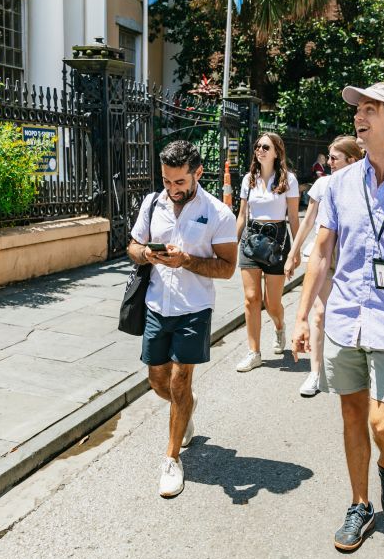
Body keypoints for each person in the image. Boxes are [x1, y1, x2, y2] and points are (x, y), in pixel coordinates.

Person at [292, 82, 384, 552]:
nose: (359, 116)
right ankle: (360, 504)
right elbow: (321, 255)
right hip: (342, 318)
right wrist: (300, 318)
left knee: (383, 425)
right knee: (352, 413)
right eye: (358, 109)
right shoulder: (338, 184)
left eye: (371, 109)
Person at [127, 140, 238, 498]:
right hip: (157, 306)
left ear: (197, 174)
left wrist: (186, 260)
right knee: (158, 381)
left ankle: (172, 459)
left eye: (179, 182)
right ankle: (187, 408)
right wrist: (145, 253)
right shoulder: (152, 203)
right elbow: (132, 246)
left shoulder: (218, 213)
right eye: (167, 181)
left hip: (194, 308)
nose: (172, 190)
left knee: (178, 381)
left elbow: (227, 268)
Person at [285, 135, 363, 398]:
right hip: (322, 256)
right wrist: (292, 253)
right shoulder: (324, 183)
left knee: (346, 313)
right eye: (329, 157)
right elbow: (308, 222)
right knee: (320, 313)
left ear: (351, 160)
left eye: (334, 158)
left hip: (350, 258)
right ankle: (315, 372)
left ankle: (350, 367)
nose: (328, 163)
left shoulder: (365, 185)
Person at [236, 133, 301, 372]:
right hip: (251, 240)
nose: (260, 150)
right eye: (257, 146)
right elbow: (242, 215)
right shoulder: (248, 179)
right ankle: (254, 352)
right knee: (251, 299)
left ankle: (279, 327)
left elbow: (293, 217)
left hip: (277, 241)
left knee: (271, 303)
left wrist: (296, 250)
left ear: (276, 152)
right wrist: (231, 245)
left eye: (265, 146)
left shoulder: (288, 180)